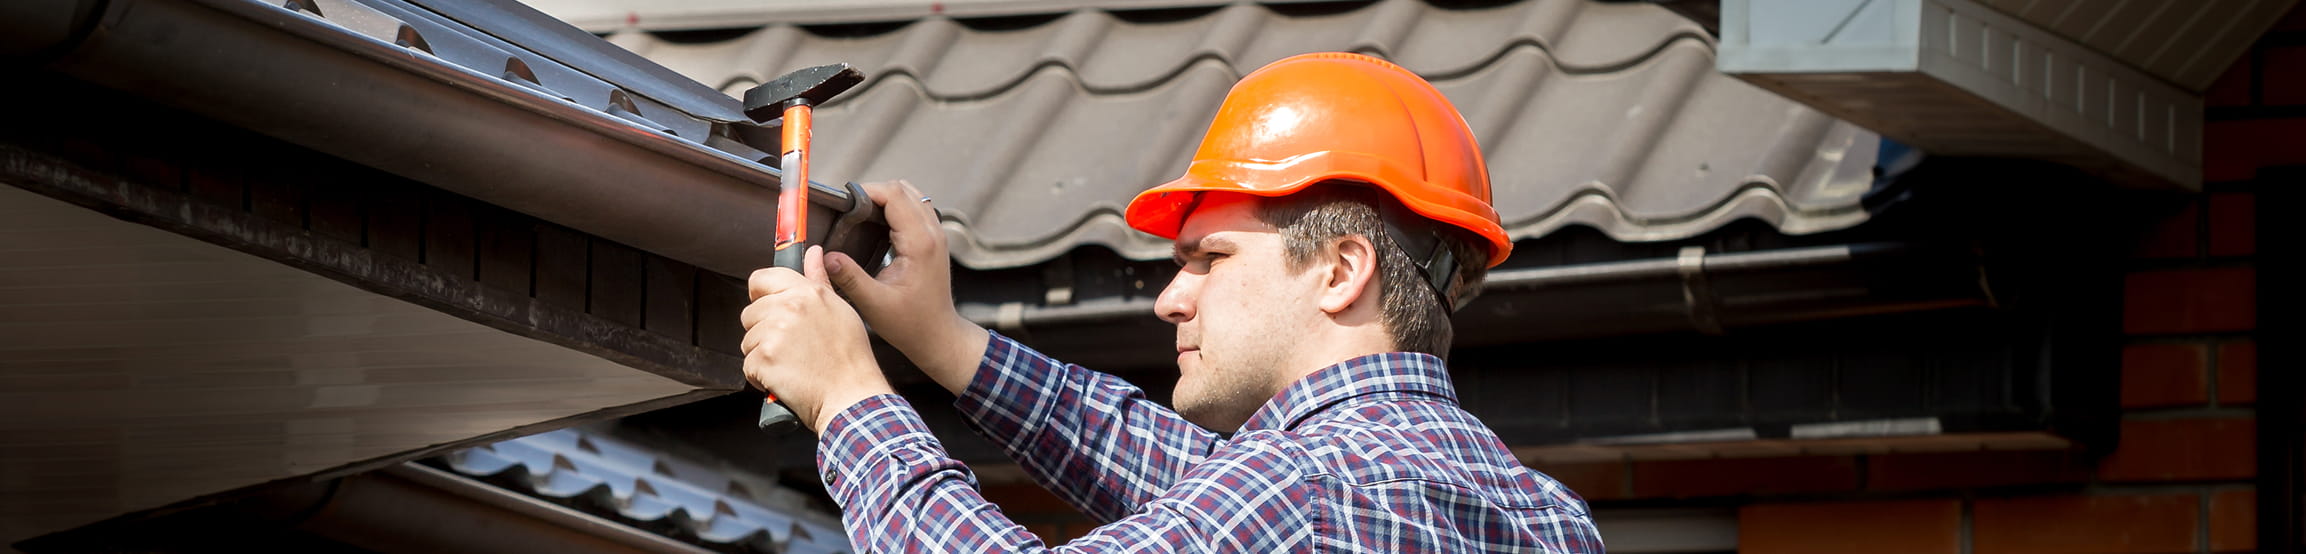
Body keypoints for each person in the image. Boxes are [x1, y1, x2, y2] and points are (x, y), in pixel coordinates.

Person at [739, 52, 1603, 552]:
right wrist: (945, 341)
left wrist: (851, 400)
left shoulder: (1297, 490)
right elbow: (1163, 461)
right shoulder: (1553, 520)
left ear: (1342, 270)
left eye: (1209, 258)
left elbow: (1251, 492)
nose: (1171, 299)